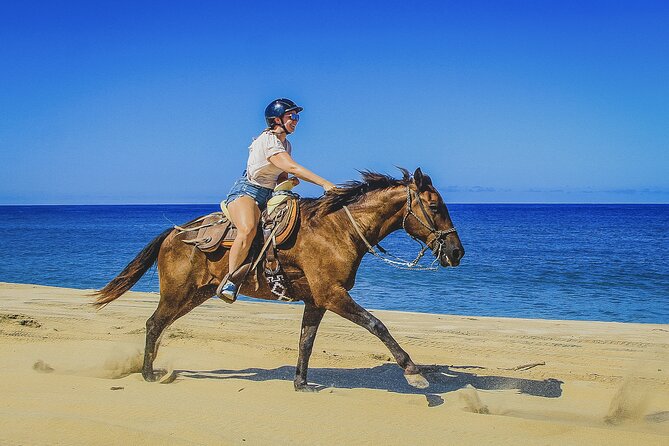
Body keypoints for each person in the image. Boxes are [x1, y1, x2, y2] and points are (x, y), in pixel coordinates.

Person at [217, 98, 336, 301]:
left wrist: (288, 182)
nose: (296, 120)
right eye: (293, 116)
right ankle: (230, 280)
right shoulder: (268, 140)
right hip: (246, 192)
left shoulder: (286, 144)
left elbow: (281, 173)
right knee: (247, 229)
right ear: (277, 119)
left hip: (269, 194)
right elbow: (290, 166)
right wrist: (325, 183)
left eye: (297, 117)